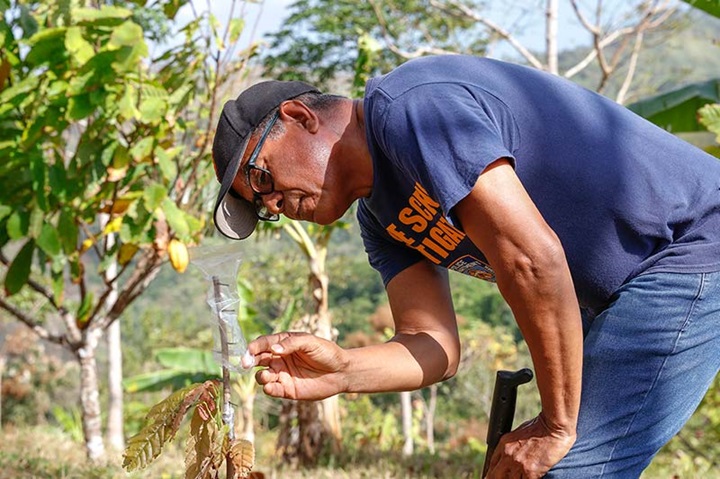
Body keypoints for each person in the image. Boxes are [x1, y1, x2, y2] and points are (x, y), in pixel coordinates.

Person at [211, 55, 720, 478]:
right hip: (625, 289)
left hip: (690, 246)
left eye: (261, 178)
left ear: (301, 117)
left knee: (563, 469)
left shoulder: (410, 105)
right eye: (260, 208)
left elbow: (532, 260)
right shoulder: (380, 218)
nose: (272, 203)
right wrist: (344, 371)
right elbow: (434, 348)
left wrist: (557, 425)